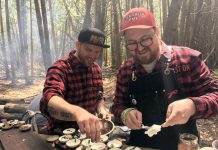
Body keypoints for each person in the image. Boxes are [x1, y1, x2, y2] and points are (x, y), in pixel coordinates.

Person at [112, 8, 218, 149]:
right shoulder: (126, 70)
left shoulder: (187, 59)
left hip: (183, 144)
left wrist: (192, 105)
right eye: (132, 42)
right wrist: (125, 114)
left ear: (157, 33)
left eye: (145, 39)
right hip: (140, 144)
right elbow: (117, 106)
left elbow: (215, 96)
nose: (139, 48)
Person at [40, 28, 110, 142]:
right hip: (60, 137)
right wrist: (78, 113)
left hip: (88, 137)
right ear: (78, 45)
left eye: (97, 51)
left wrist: (101, 108)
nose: (93, 56)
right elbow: (50, 99)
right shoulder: (60, 68)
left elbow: (99, 96)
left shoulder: (96, 69)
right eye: (89, 50)